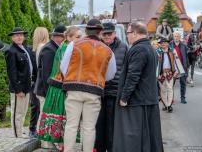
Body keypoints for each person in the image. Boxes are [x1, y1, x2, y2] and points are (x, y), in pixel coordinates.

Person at [61, 19, 116, 152]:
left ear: (86, 31)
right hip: (94, 91)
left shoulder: (74, 44)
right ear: (100, 32)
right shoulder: (108, 50)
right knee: (89, 127)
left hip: (74, 89)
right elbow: (110, 75)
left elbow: (63, 67)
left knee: (71, 125)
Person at [113, 22, 163, 152]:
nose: (127, 36)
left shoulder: (138, 49)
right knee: (148, 138)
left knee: (135, 138)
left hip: (138, 100)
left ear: (134, 33)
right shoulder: (148, 48)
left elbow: (133, 75)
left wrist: (124, 97)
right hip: (147, 98)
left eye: (128, 33)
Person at [38, 26, 82, 150]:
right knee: (62, 115)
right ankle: (62, 145)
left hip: (59, 85)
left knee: (62, 116)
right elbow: (65, 69)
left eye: (80, 36)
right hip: (60, 87)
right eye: (77, 36)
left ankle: (60, 144)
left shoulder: (65, 47)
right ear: (69, 37)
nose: (80, 39)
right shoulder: (67, 48)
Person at [95, 22, 128, 152]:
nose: (107, 36)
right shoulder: (97, 47)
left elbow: (127, 69)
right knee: (99, 124)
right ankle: (99, 148)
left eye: (109, 33)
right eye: (104, 34)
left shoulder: (123, 47)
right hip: (100, 92)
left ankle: (113, 148)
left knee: (114, 125)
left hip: (116, 92)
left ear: (115, 33)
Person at [33, 25, 66, 148]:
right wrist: (50, 93)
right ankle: (44, 142)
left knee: (46, 115)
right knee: (44, 114)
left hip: (48, 88)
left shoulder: (56, 48)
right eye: (63, 36)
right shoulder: (49, 49)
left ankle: (48, 140)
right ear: (57, 36)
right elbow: (46, 73)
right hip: (45, 89)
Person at [5, 27, 36, 138]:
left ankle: (20, 130)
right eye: (17, 35)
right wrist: (17, 89)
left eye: (21, 35)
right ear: (12, 37)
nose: (20, 37)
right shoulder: (11, 51)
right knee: (17, 112)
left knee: (23, 112)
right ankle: (17, 134)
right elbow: (11, 72)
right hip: (18, 87)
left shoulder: (25, 48)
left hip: (27, 86)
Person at [29, 27, 49, 138]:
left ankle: (35, 129)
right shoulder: (42, 48)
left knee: (37, 106)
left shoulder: (37, 49)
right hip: (37, 80)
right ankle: (34, 128)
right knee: (36, 106)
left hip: (37, 81)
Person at [157, 38, 179, 112]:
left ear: (167, 43)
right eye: (161, 43)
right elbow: (156, 64)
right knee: (163, 90)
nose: (163, 44)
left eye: (164, 42)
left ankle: (169, 105)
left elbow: (176, 61)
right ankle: (165, 104)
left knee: (170, 88)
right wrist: (157, 74)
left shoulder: (172, 51)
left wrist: (176, 71)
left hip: (170, 72)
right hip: (161, 73)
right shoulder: (157, 52)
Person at [169, 31, 189, 104]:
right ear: (173, 37)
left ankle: (183, 98)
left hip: (182, 67)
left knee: (183, 83)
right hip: (173, 67)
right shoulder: (170, 45)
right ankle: (171, 99)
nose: (176, 37)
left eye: (177, 36)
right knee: (171, 84)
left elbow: (186, 57)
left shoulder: (183, 45)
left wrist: (187, 66)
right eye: (175, 36)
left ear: (180, 37)